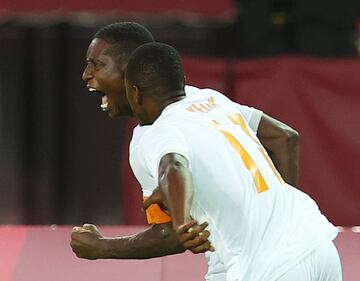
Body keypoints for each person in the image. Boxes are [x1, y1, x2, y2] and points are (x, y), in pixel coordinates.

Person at [70, 22, 300, 280]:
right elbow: (285, 138)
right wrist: (281, 214)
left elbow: (172, 230)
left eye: (97, 64)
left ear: (130, 72)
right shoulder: (209, 98)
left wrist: (101, 246)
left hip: (254, 264)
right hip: (310, 244)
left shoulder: (150, 135)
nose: (86, 74)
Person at [124, 41, 342, 281]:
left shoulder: (158, 131)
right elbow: (286, 137)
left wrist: (181, 222)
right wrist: (275, 212)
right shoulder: (213, 100)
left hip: (271, 267)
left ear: (135, 92)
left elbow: (174, 165)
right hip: (319, 245)